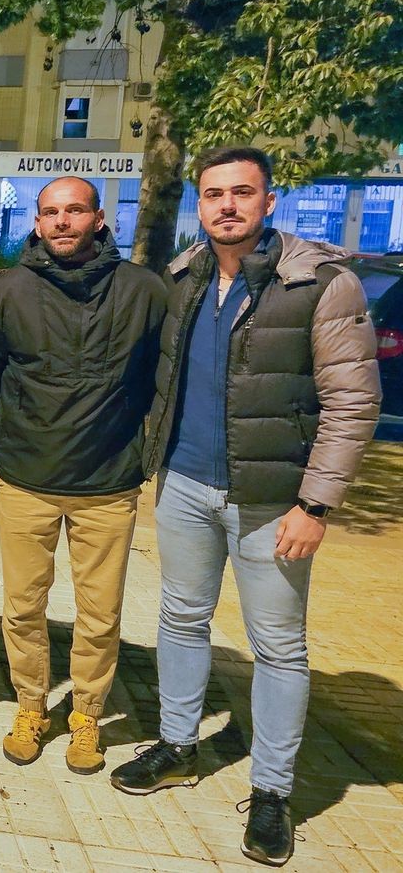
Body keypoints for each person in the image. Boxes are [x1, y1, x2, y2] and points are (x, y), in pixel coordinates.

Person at [109, 146, 380, 867]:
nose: (227, 205)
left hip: (274, 504)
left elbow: (353, 402)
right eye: (213, 194)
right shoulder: (184, 278)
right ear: (200, 204)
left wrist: (315, 504)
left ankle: (271, 793)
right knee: (181, 618)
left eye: (242, 193)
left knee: (279, 647)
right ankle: (176, 744)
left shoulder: (321, 284)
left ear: (268, 200)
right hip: (186, 486)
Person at [0, 176, 167, 773]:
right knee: (23, 607)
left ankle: (86, 717)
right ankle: (31, 707)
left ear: (99, 217)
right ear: (36, 223)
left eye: (74, 210)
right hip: (26, 477)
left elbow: (162, 381)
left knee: (100, 613)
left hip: (108, 484)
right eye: (51, 212)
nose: (62, 222)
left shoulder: (144, 292)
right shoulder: (7, 294)